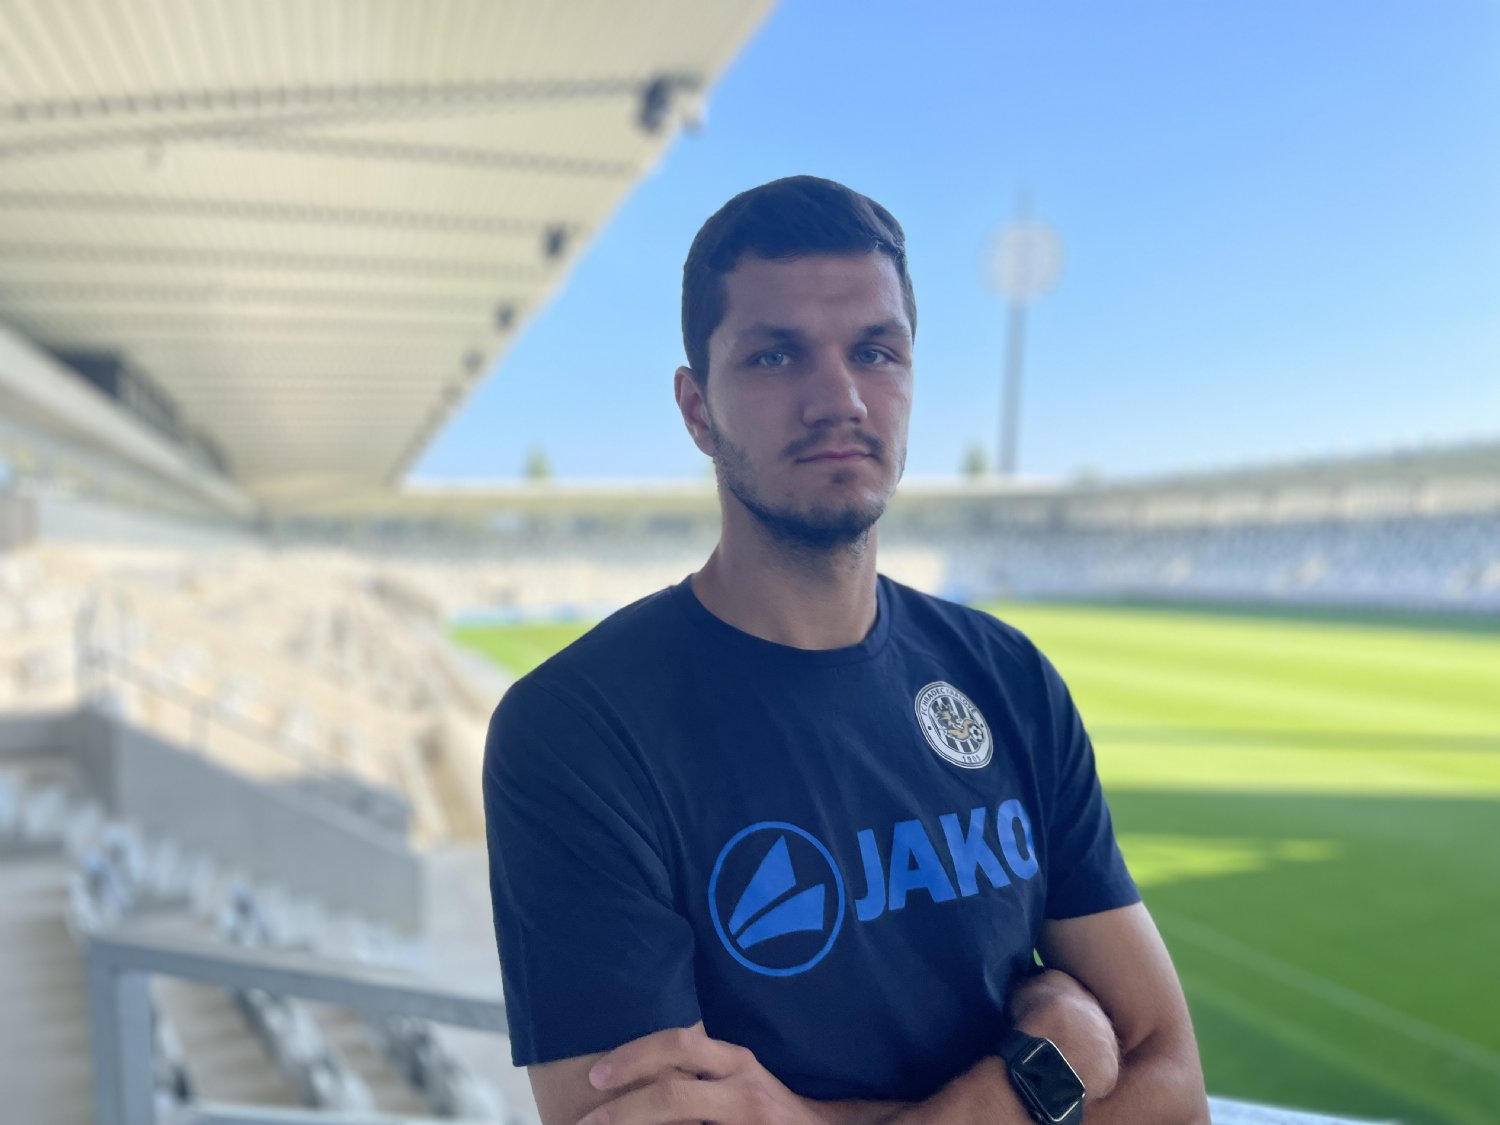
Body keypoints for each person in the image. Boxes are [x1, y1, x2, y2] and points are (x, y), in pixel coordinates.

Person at [484, 176, 1209, 1125]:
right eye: (776, 355)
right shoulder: (576, 730)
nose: (840, 398)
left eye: (875, 351)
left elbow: (1172, 1085)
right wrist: (1040, 1072)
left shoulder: (1009, 678)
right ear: (698, 410)